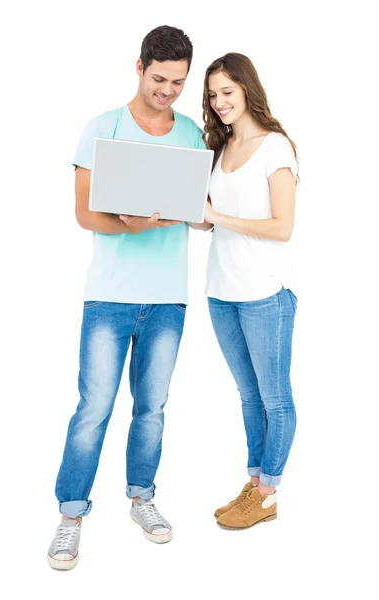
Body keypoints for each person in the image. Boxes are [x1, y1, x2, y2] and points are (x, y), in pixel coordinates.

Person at [47, 25, 211, 570]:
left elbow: (198, 204)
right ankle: (71, 515)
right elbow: (82, 213)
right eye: (160, 78)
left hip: (168, 297)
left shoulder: (191, 133)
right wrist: (130, 225)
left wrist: (203, 217)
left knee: (153, 409)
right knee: (94, 408)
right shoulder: (104, 127)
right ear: (139, 67)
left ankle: (142, 498)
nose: (168, 90)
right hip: (110, 297)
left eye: (179, 82)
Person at [202, 53, 299, 530]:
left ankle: (268, 492)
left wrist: (219, 217)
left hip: (263, 293)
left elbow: (283, 227)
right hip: (221, 290)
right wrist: (198, 215)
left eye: (227, 92)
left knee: (274, 398)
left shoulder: (274, 147)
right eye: (213, 94)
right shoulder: (220, 148)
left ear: (246, 90)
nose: (219, 102)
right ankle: (255, 483)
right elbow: (213, 219)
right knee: (247, 395)